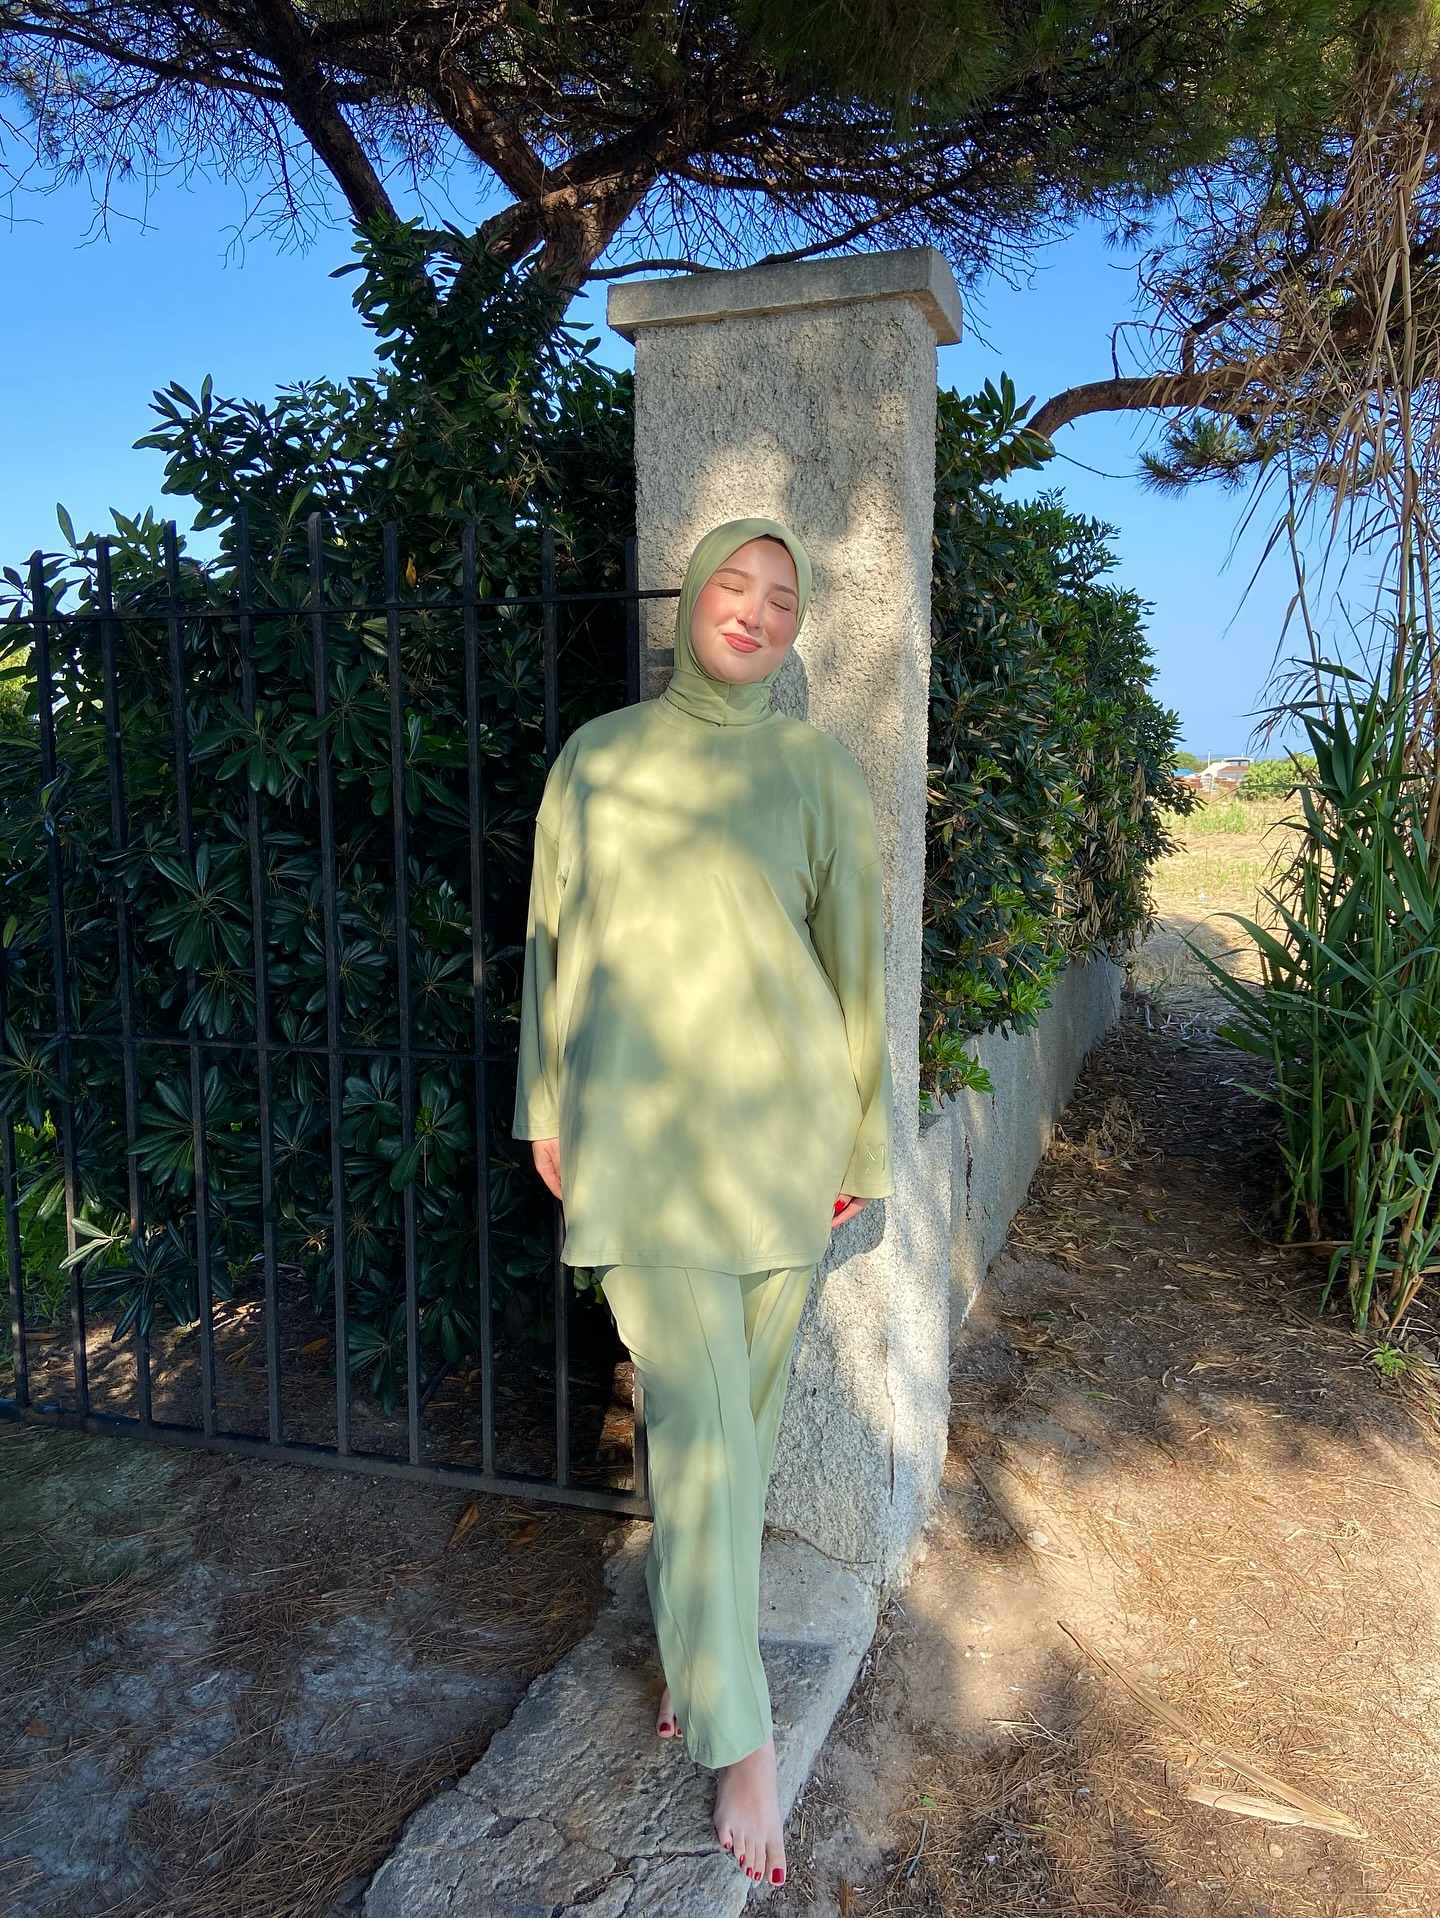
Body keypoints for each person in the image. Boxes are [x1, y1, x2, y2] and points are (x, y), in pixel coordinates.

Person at [513, 517, 894, 1891]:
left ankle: (694, 1656)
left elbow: (857, 969)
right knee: (702, 1427)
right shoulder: (599, 759)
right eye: (736, 583)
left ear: (797, 628)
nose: (756, 610)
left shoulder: (816, 770)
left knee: (742, 1426)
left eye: (783, 598)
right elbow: (553, 942)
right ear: (694, 602)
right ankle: (741, 1738)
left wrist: (864, 1140)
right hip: (644, 1140)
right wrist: (544, 1103)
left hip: (784, 1142)